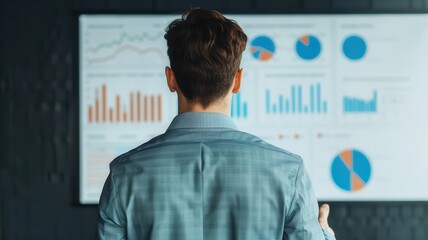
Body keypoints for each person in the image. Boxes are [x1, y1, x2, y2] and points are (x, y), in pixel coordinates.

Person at [98, 8, 336, 240]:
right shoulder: (288, 171)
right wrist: (324, 234)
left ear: (170, 79)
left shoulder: (123, 174)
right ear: (238, 80)